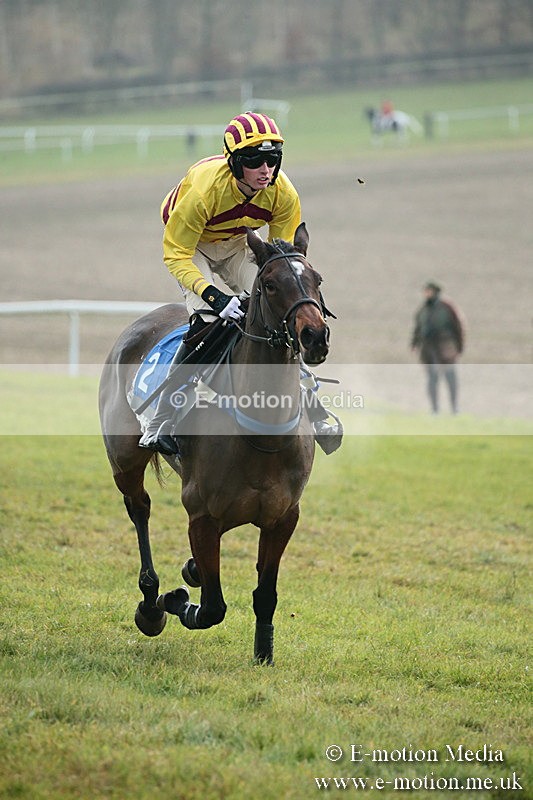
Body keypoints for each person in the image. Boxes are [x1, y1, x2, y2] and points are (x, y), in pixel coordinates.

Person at [139, 111, 303, 455]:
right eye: (255, 160)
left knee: (277, 304)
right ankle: (164, 416)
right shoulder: (203, 191)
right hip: (192, 244)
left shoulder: (283, 194)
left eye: (272, 159)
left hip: (238, 241)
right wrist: (214, 297)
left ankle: (311, 401)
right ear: (235, 162)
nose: (266, 169)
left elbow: (280, 258)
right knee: (211, 322)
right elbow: (176, 255)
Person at [410, 281, 465, 414]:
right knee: (432, 380)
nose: (427, 294)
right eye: (426, 291)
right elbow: (418, 328)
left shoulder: (447, 307)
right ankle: (434, 409)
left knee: (450, 378)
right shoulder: (423, 309)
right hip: (429, 349)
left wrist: (459, 346)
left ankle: (454, 408)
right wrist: (414, 343)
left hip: (445, 348)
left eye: (429, 291)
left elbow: (458, 327)